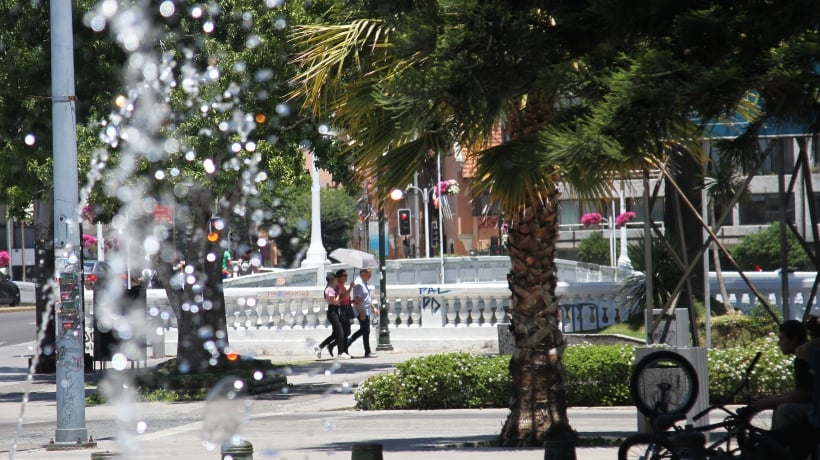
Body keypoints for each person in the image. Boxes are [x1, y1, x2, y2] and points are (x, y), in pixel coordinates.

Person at [748, 319, 812, 430]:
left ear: (794, 339)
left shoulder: (804, 359)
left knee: (784, 410)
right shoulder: (802, 357)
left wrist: (771, 401)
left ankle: (780, 444)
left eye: (782, 339)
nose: (779, 343)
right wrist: (775, 398)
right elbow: (801, 390)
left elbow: (804, 395)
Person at [314, 272, 351, 359]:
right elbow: (334, 301)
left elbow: (337, 301)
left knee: (336, 333)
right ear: (331, 280)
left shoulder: (332, 288)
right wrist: (338, 293)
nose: (337, 281)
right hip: (332, 312)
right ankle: (340, 353)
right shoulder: (329, 289)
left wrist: (341, 295)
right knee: (340, 332)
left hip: (335, 311)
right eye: (335, 279)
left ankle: (320, 346)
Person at [347, 267, 379, 358]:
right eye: (369, 275)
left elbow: (366, 298)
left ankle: (367, 351)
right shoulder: (358, 284)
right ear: (363, 274)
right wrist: (362, 312)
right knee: (364, 330)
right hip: (362, 311)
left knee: (365, 331)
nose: (370, 277)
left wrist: (373, 308)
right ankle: (348, 343)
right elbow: (357, 300)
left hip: (366, 310)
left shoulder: (363, 283)